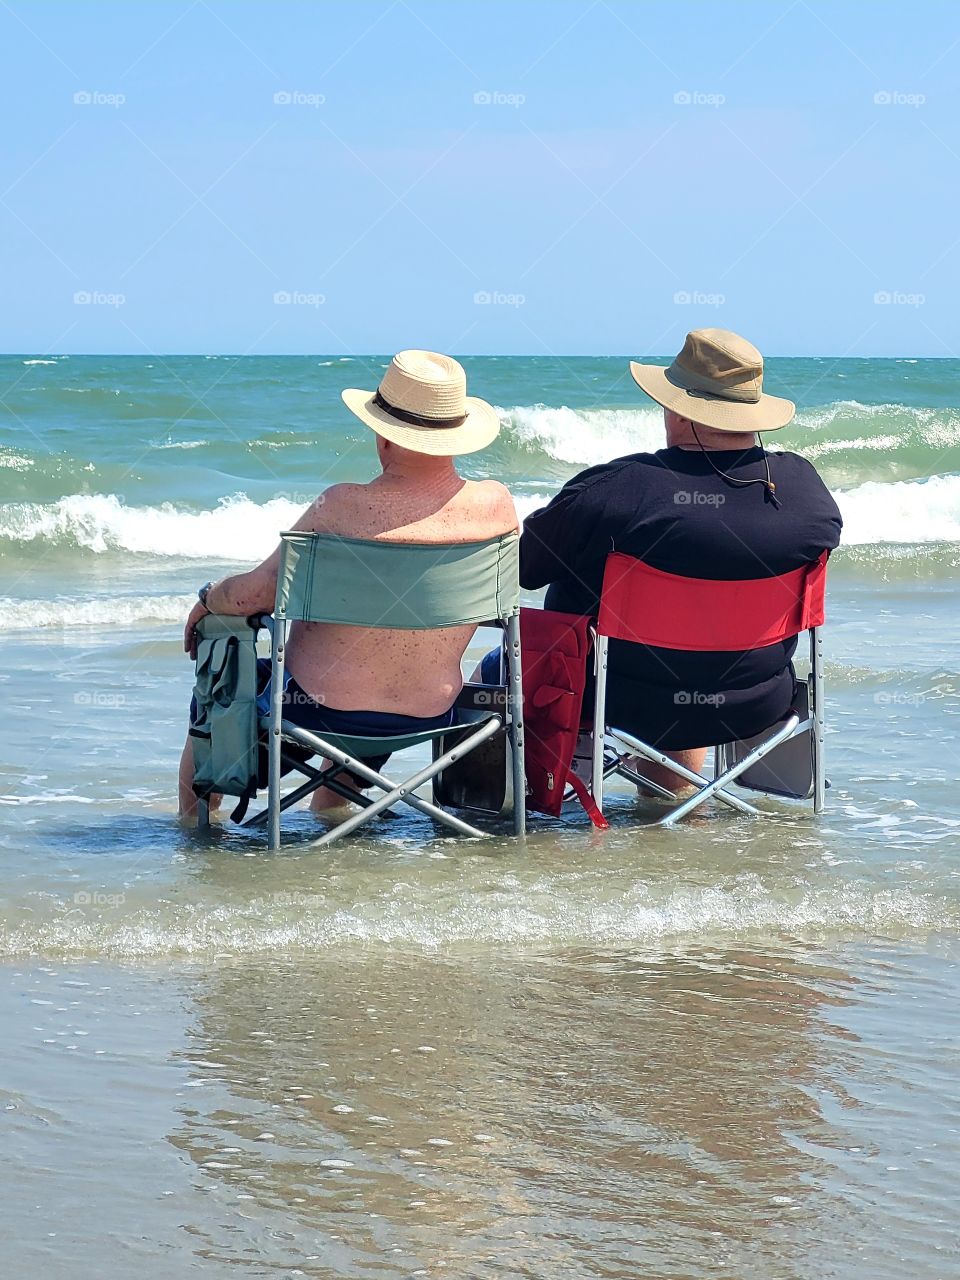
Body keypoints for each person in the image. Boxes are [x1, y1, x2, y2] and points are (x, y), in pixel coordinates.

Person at [178, 350, 518, 822]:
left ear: (382, 437)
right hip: (430, 710)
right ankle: (336, 812)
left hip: (314, 709)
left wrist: (206, 598)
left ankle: (195, 829)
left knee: (226, 679)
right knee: (387, 657)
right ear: (455, 438)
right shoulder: (496, 509)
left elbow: (251, 596)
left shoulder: (340, 508)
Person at [517, 327, 842, 795]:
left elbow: (526, 568)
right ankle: (679, 797)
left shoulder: (619, 491)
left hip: (621, 700)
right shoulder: (805, 492)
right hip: (757, 702)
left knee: (505, 658)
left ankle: (499, 815)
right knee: (689, 639)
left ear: (681, 411)